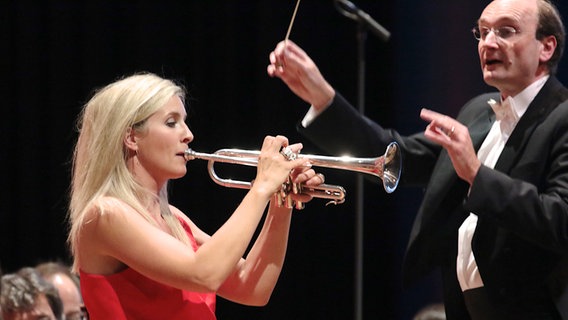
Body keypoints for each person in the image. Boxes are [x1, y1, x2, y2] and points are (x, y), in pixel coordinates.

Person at [267, 0, 568, 318]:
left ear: (546, 47)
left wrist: (476, 174)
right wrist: (321, 96)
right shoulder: (478, 111)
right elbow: (395, 157)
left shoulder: (562, 117)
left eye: (506, 31)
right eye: (481, 32)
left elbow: (561, 219)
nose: (488, 42)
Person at [67, 72, 323, 319]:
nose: (188, 134)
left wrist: (281, 202)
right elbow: (205, 274)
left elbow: (252, 289)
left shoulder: (173, 219)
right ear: (131, 137)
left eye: (184, 121)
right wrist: (262, 186)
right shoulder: (106, 214)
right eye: (171, 122)